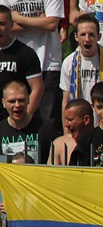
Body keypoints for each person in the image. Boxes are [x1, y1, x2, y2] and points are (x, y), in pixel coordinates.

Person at [6, 0, 64, 136]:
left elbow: (51, 24)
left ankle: (49, 155)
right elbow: (5, 26)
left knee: (49, 120)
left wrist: (17, 18)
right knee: (16, 116)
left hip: (49, 64)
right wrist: (39, 21)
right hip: (18, 62)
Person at [60, 14, 103, 123]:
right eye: (83, 34)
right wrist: (67, 131)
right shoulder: (68, 63)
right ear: (76, 37)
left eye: (91, 35)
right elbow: (66, 101)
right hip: (79, 124)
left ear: (99, 37)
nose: (87, 39)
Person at [0, 6, 43, 119]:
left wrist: (25, 118)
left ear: (11, 25)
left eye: (2, 24)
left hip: (16, 120)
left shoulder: (25, 53)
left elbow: (37, 88)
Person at [0, 80, 52, 164]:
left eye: (21, 100)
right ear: (4, 103)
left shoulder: (45, 127)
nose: (17, 105)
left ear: (28, 99)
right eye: (12, 101)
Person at [50, 98, 93, 165]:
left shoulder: (100, 142)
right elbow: (50, 174)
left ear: (86, 120)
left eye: (70, 120)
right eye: (65, 120)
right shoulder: (59, 144)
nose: (66, 124)